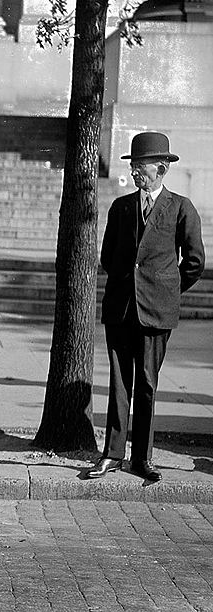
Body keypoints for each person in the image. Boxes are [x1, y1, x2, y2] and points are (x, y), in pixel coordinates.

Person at [86, 132, 205, 482]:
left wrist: (167, 290)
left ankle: (142, 458)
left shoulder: (181, 207)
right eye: (133, 165)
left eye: (141, 166)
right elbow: (108, 257)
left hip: (157, 311)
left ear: (161, 169)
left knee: (148, 385)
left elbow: (195, 261)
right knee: (119, 384)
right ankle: (112, 454)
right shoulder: (121, 207)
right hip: (121, 309)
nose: (135, 171)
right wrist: (129, 285)